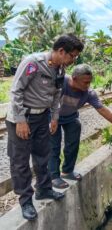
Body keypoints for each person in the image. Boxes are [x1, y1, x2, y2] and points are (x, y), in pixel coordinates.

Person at [5, 34, 84, 220]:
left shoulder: (60, 69)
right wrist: (20, 120)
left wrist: (54, 117)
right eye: (72, 56)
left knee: (43, 156)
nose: (73, 60)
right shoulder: (33, 62)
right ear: (61, 51)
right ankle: (26, 201)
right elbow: (16, 91)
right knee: (21, 161)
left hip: (42, 117)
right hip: (22, 117)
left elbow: (57, 94)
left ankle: (44, 190)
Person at [48, 64, 112, 189]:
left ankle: (67, 171)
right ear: (74, 79)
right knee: (54, 146)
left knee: (73, 142)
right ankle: (54, 176)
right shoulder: (61, 82)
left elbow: (102, 109)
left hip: (70, 118)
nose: (88, 86)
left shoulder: (88, 93)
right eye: (85, 82)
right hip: (52, 117)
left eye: (90, 82)